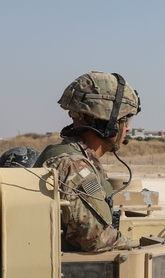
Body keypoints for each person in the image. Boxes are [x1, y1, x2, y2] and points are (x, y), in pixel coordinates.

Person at [36, 71, 141, 252]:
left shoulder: (67, 156)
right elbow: (96, 239)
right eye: (124, 120)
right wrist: (138, 244)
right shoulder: (74, 165)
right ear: (106, 123)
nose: (128, 128)